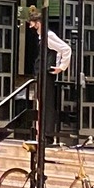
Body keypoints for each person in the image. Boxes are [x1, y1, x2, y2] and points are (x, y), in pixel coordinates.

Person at [22, 10, 71, 141]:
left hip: (46, 74)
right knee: (42, 103)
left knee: (46, 104)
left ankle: (47, 135)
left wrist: (61, 67)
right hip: (42, 73)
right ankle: (43, 133)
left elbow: (65, 48)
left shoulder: (48, 35)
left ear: (38, 23)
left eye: (32, 23)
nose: (30, 26)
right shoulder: (43, 36)